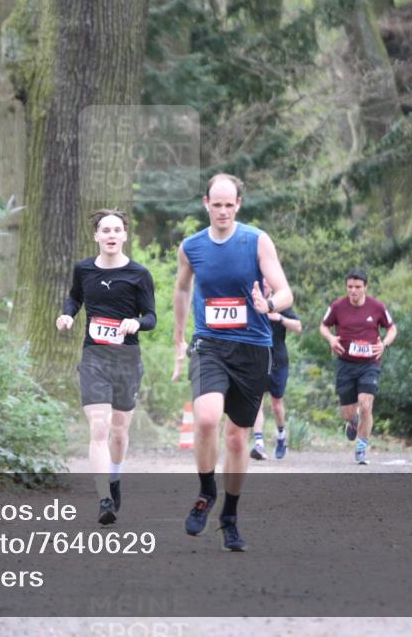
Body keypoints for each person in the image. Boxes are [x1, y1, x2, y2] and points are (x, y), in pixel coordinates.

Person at [172, 173, 293, 551]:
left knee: (238, 438)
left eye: (229, 204)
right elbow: (181, 287)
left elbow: (285, 291)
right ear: (205, 204)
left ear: (238, 204)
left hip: (253, 347)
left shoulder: (256, 241)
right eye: (216, 204)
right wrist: (178, 338)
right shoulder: (191, 246)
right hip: (209, 343)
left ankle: (230, 517)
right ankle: (207, 491)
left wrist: (268, 305)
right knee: (207, 418)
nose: (223, 211)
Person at [57, 209, 156, 525]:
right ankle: (103, 498)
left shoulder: (139, 274)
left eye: (117, 230)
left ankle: (114, 479)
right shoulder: (84, 269)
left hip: (126, 359)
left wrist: (135, 322)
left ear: (125, 235)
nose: (111, 235)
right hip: (94, 357)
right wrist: (68, 315)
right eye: (105, 230)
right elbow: (74, 299)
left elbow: (152, 317)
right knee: (99, 425)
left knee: (119, 429)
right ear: (97, 236)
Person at [319, 268, 396, 465]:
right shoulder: (337, 306)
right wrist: (330, 339)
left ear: (365, 287)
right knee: (348, 413)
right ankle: (352, 423)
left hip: (370, 364)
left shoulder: (377, 307)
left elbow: (392, 328)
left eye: (357, 287)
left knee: (366, 404)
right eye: (350, 287)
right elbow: (323, 326)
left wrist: (384, 344)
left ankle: (362, 448)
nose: (353, 290)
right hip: (346, 363)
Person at [251, 285, 302, 460]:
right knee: (256, 401)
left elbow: (298, 327)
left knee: (276, 404)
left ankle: (281, 435)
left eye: (266, 283)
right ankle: (258, 443)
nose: (263, 285)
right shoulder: (251, 302)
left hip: (278, 360)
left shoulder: (280, 304)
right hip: (257, 359)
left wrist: (279, 318)